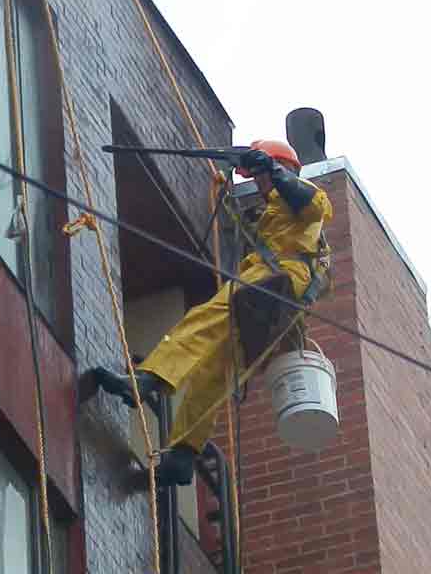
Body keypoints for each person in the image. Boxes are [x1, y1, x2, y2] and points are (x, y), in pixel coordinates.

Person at [88, 139, 334, 486]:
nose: (259, 184)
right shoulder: (275, 211)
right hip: (281, 298)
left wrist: (273, 170)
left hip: (275, 279)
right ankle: (184, 455)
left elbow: (308, 202)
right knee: (215, 370)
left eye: (259, 175)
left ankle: (150, 379)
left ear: (279, 166)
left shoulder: (303, 193)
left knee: (205, 320)